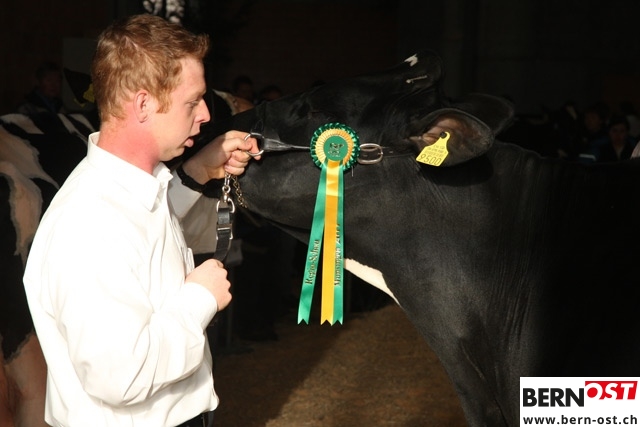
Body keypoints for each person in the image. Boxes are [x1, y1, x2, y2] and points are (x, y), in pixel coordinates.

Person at [22, 14, 260, 427]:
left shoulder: (127, 191)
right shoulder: (88, 223)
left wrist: (198, 172)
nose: (205, 114)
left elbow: (144, 236)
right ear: (144, 104)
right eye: (192, 102)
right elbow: (121, 376)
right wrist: (200, 298)